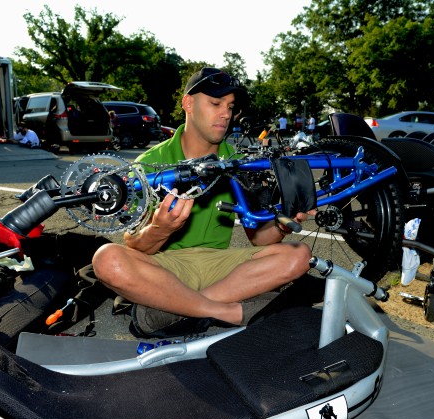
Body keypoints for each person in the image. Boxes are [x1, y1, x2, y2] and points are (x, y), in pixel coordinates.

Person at [92, 67, 313, 338]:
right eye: (215, 103)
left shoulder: (239, 161)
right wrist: (161, 229)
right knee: (106, 259)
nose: (226, 114)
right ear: (188, 103)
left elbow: (259, 239)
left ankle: (176, 309)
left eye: (230, 107)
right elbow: (135, 245)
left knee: (299, 255)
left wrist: (285, 223)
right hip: (166, 266)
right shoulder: (149, 162)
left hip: (220, 265)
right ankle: (226, 312)